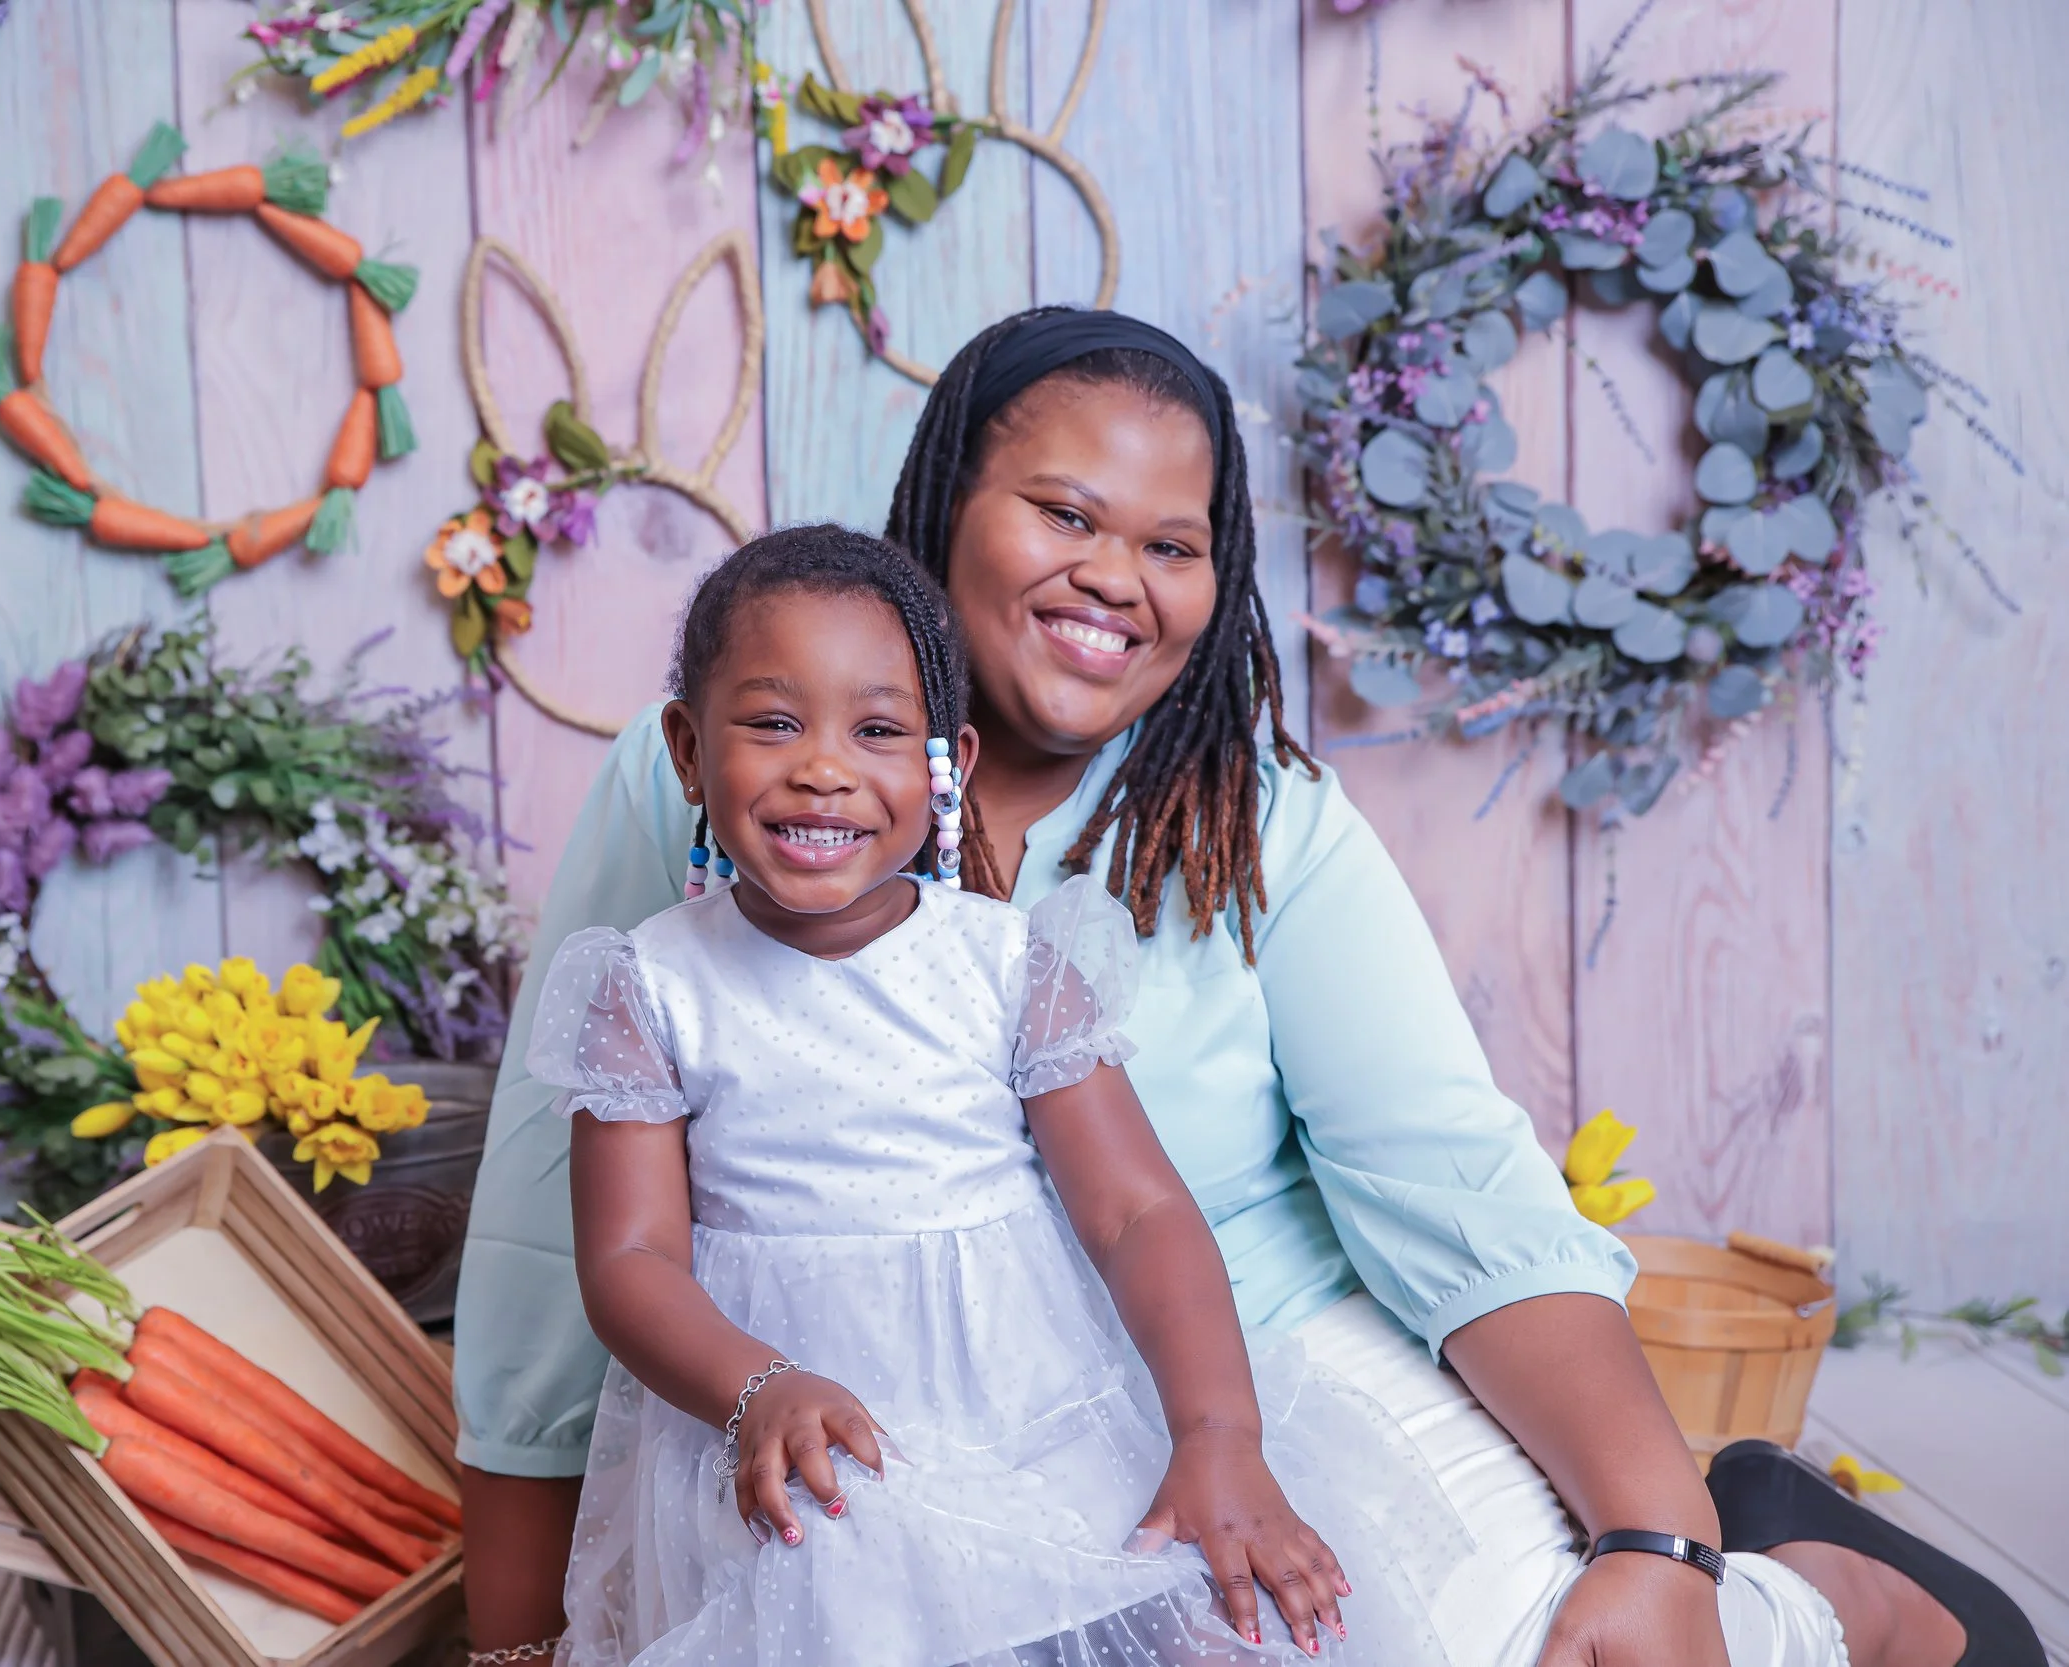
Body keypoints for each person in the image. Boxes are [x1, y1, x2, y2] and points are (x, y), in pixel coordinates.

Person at [454, 308, 2035, 1667]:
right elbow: (561, 1231)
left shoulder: (1248, 816)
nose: (1114, 578)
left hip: (1241, 1367)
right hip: (865, 1419)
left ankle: (1805, 1584)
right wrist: (516, 1631)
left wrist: (1655, 1532)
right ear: (946, 506)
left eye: (1172, 543)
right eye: (1064, 513)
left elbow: (1450, 1189)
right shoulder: (725, 781)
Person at [532, 523, 1455, 1664]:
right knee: (843, 1593)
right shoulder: (652, 984)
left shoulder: (1010, 965)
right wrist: (752, 1384)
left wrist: (1217, 1429)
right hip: (798, 1423)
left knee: (1160, 1600)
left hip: (1033, 1401)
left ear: (946, 763)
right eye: (773, 722)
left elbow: (1138, 1212)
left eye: (876, 730)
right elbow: (628, 1262)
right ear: (685, 747)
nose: (822, 765)